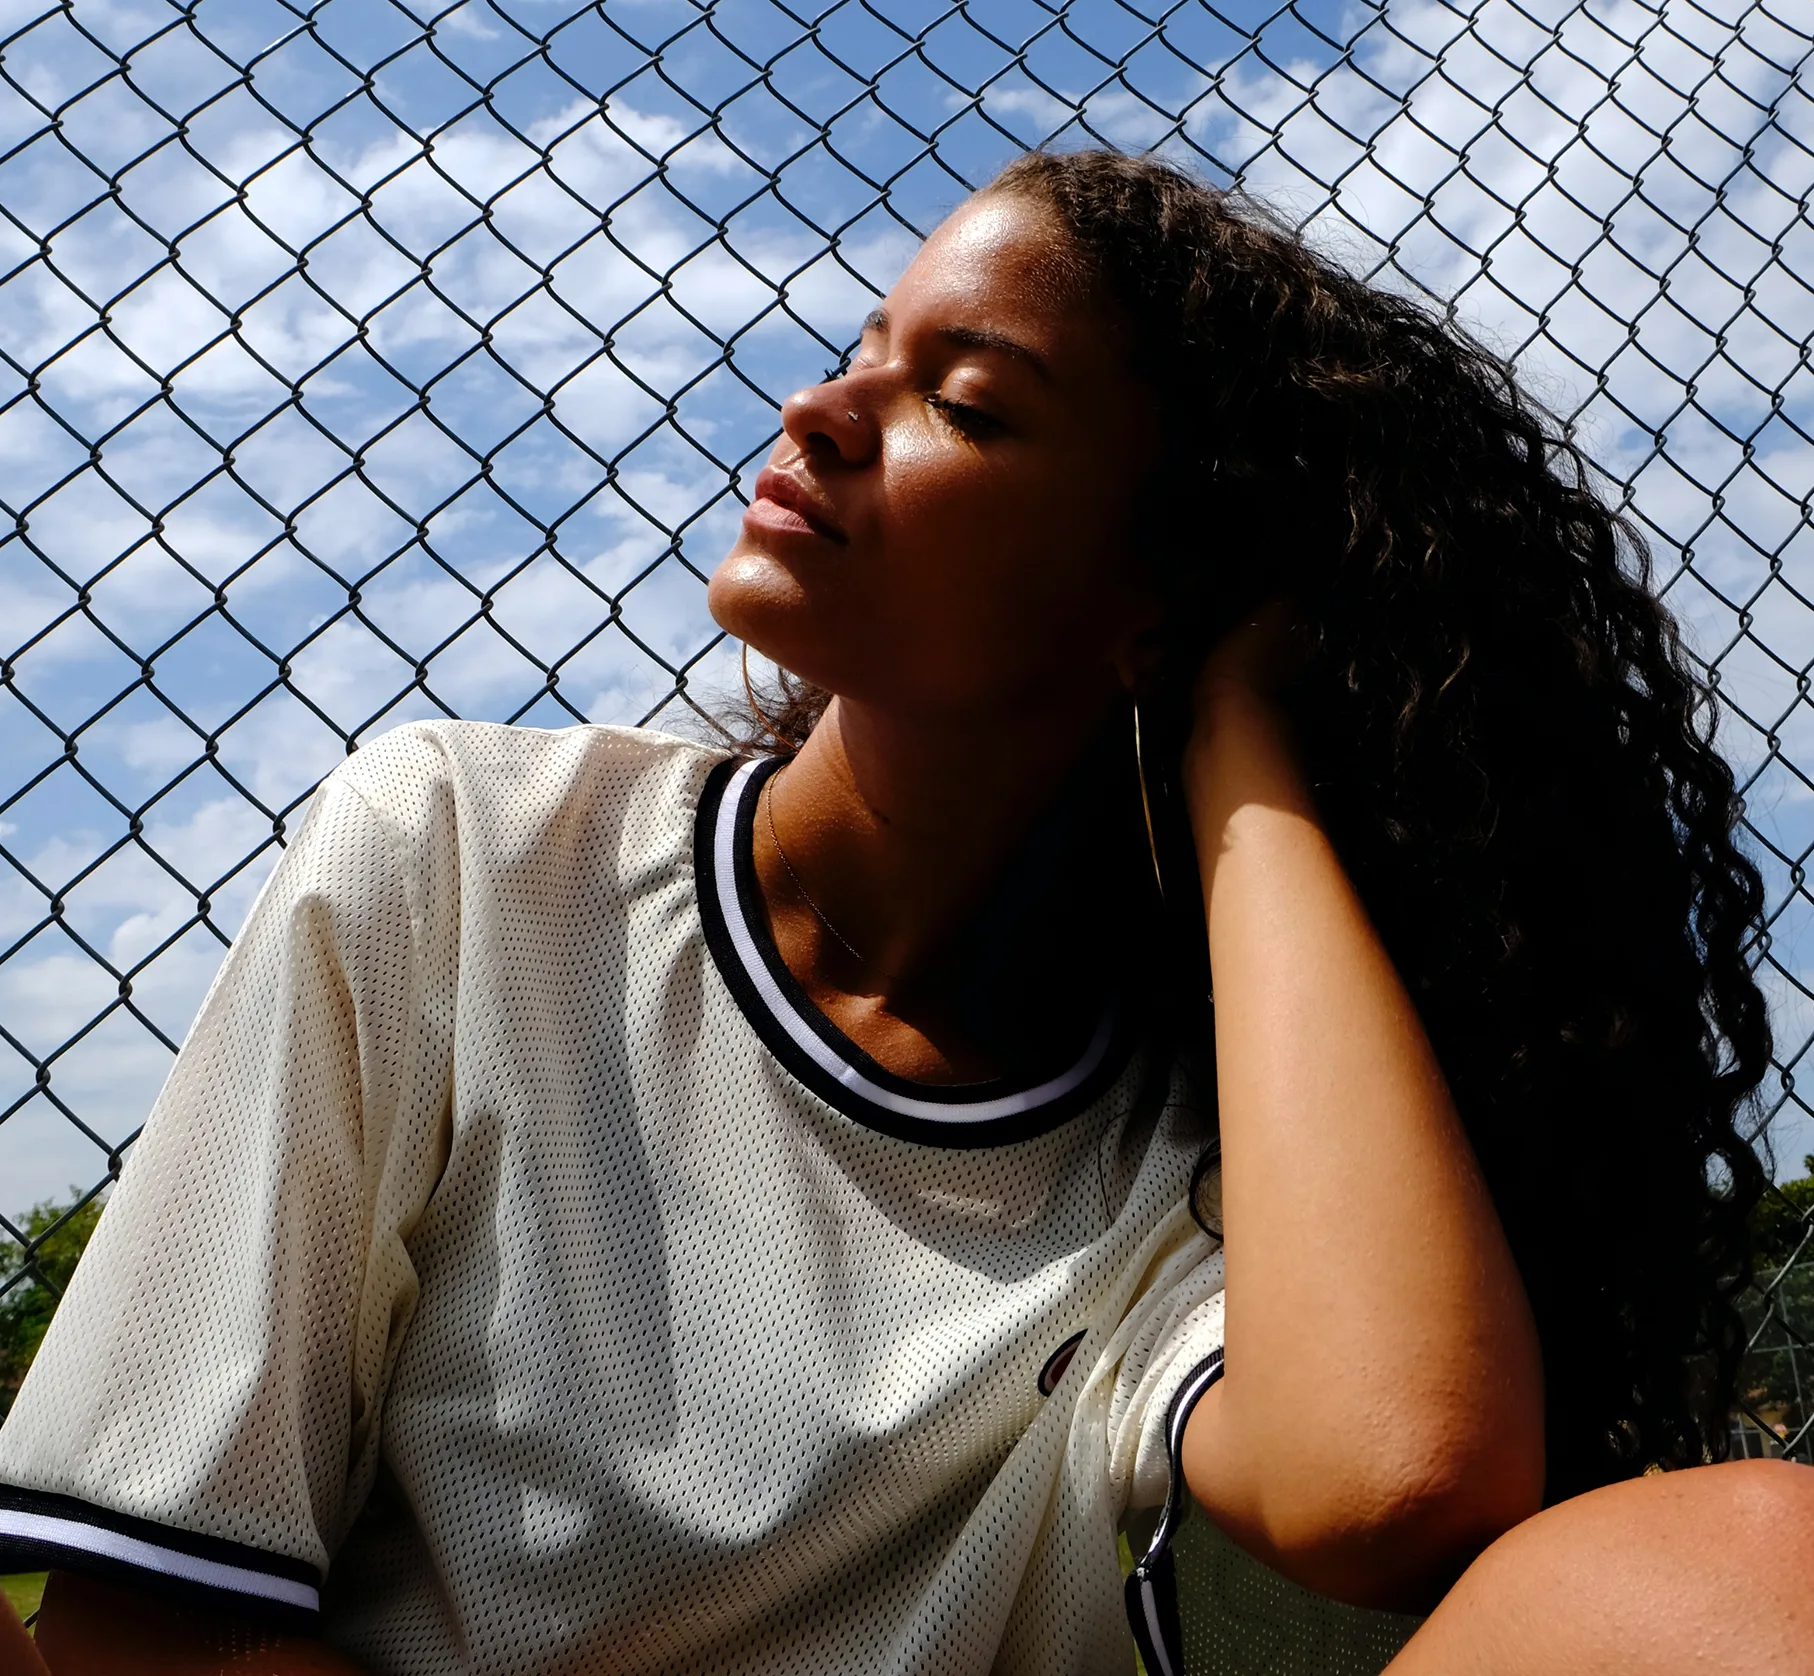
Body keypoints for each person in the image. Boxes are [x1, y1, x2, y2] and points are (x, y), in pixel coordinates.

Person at [1, 148, 1810, 1676]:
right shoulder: (471, 855)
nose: (815, 409)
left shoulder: (1186, 1159)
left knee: (1755, 1558)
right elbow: (129, 1624)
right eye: (866, 345)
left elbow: (1395, 1466)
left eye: (964, 401)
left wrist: (1240, 744)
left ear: (1150, 605)